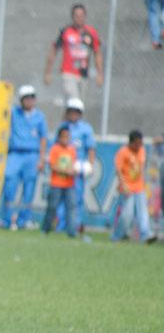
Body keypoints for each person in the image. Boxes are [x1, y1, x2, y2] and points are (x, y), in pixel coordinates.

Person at [0, 85, 49, 230]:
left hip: (32, 154)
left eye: (32, 97)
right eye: (26, 98)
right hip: (15, 153)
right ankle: (7, 219)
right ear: (21, 100)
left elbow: (43, 138)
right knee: (9, 184)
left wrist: (41, 158)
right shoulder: (14, 112)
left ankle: (24, 220)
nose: (29, 101)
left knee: (29, 188)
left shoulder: (39, 116)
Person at [44, 4, 103, 103]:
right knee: (74, 103)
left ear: (85, 16)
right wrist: (48, 72)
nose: (79, 18)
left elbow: (97, 53)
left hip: (83, 74)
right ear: (72, 17)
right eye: (76, 15)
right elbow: (54, 51)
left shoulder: (91, 32)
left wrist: (100, 74)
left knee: (79, 108)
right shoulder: (66, 31)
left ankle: (66, 119)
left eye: (81, 15)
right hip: (68, 73)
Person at [55, 98, 95, 234]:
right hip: (64, 168)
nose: (73, 114)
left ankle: (75, 225)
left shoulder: (86, 129)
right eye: (70, 111)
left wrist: (90, 164)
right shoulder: (63, 127)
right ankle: (60, 226)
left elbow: (91, 148)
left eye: (76, 112)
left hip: (78, 169)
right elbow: (57, 146)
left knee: (76, 199)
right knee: (61, 200)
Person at [110, 130, 155, 243]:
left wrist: (144, 183)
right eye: (138, 143)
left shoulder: (142, 151)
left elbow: (141, 168)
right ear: (131, 142)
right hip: (127, 188)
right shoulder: (123, 152)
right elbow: (118, 170)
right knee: (127, 214)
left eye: (141, 143)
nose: (140, 145)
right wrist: (123, 184)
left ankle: (145, 235)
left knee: (143, 213)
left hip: (139, 187)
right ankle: (117, 235)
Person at [41, 126, 78, 237]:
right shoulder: (55, 149)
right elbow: (52, 166)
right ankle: (46, 229)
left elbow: (73, 165)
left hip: (69, 184)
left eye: (67, 136)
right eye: (63, 136)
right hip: (56, 183)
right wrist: (66, 171)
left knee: (71, 207)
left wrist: (74, 171)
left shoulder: (72, 150)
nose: (65, 139)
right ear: (59, 137)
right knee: (52, 207)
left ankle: (71, 232)